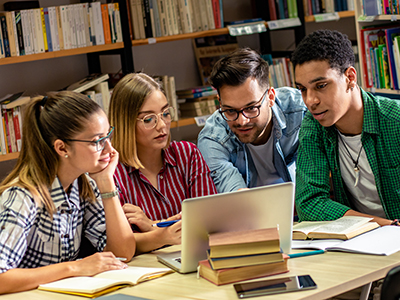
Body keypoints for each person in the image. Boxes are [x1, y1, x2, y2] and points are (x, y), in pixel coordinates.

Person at [0, 91, 136, 294]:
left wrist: (106, 182)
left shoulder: (83, 184)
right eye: (97, 141)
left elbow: (122, 253)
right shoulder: (22, 197)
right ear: (62, 148)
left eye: (108, 135)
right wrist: (74, 268)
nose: (109, 149)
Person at [292, 29, 400, 226]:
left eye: (321, 86)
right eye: (302, 89)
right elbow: (309, 202)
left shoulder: (395, 120)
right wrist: (382, 225)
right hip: (362, 239)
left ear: (350, 77)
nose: (310, 101)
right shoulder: (314, 124)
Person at [109, 73, 217, 255]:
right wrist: (163, 235)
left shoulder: (187, 154)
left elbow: (209, 222)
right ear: (125, 123)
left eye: (165, 114)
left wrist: (152, 226)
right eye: (148, 119)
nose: (162, 125)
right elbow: (120, 245)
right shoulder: (113, 174)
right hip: (145, 273)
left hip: (192, 259)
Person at [197, 47, 307, 193]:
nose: (242, 121)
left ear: (270, 97)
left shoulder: (301, 111)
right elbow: (238, 197)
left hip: (302, 208)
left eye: (251, 108)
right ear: (220, 103)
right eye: (230, 110)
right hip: (250, 213)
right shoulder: (212, 139)